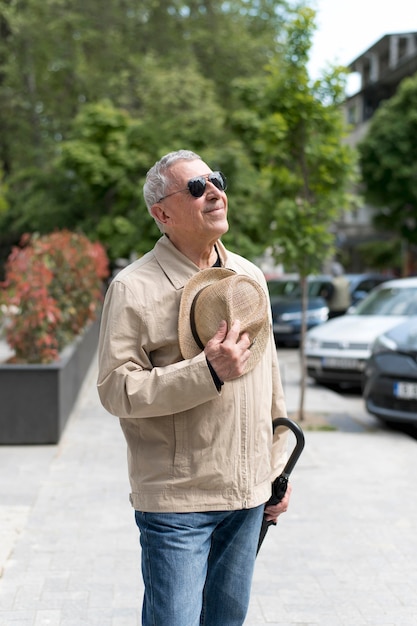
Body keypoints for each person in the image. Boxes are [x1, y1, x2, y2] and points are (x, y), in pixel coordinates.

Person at [97, 149, 291, 626]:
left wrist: (278, 469)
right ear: (161, 213)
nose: (214, 193)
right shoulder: (133, 287)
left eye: (216, 180)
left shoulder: (250, 277)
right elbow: (115, 390)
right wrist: (206, 373)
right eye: (195, 188)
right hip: (178, 504)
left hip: (247, 500)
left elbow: (272, 387)